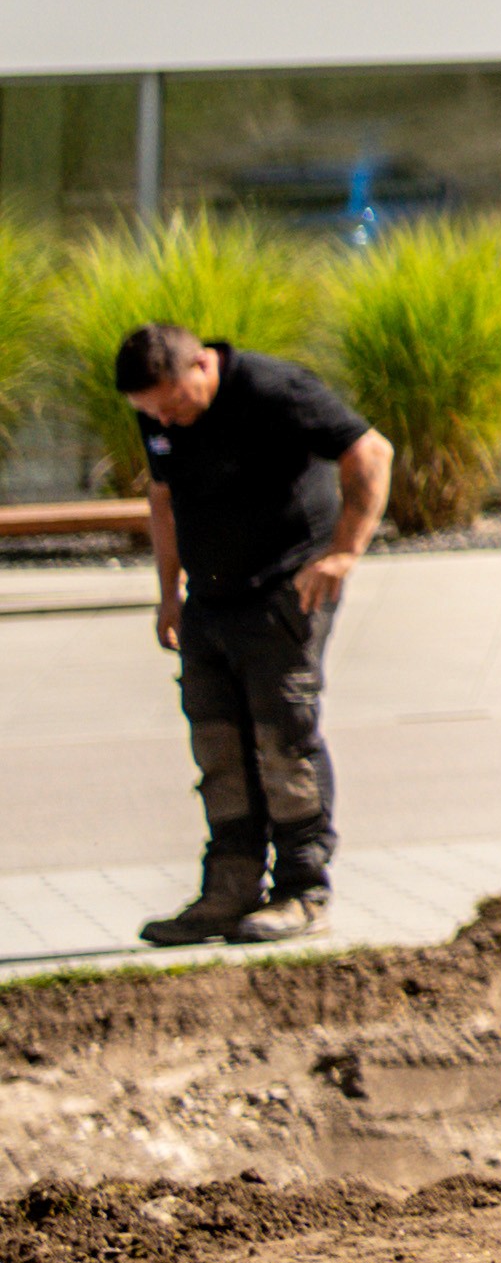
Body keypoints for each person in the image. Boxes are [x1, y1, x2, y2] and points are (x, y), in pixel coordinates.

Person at [118, 320, 389, 949]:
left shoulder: (274, 389)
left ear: (201, 366)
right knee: (219, 744)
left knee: (281, 740)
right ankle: (230, 890)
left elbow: (371, 452)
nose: (165, 420)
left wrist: (343, 554)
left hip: (284, 591)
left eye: (172, 404)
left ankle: (303, 890)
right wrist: (169, 593)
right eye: (151, 412)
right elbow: (163, 500)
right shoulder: (160, 414)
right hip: (209, 600)